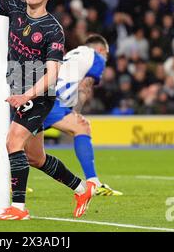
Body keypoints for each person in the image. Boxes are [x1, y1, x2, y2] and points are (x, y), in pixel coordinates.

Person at [0, 0, 95, 220]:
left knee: (13, 141)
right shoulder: (15, 9)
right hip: (20, 91)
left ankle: (18, 209)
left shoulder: (53, 29)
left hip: (39, 93)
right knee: (36, 158)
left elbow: (52, 74)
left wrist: (25, 95)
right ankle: (81, 188)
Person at [44, 34, 122, 196]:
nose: (106, 59)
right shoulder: (97, 57)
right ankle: (93, 182)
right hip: (53, 101)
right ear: (101, 50)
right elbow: (85, 86)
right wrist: (76, 112)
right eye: (106, 55)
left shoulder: (71, 55)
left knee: (29, 150)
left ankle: (10, 183)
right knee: (82, 127)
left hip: (45, 97)